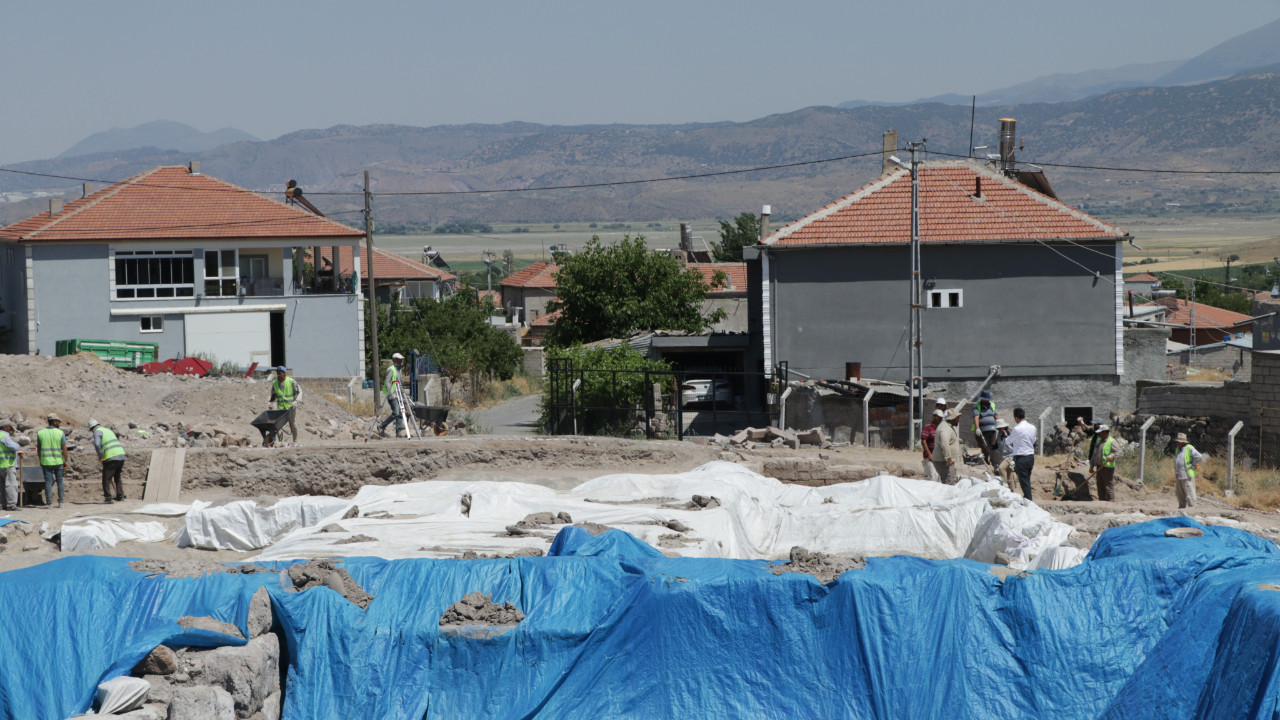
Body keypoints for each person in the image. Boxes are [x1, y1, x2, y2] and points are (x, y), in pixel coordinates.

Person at [36, 413, 70, 508]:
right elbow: (64, 449)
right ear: (54, 422)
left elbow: (38, 449)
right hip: (58, 462)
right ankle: (61, 502)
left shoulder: (40, 433)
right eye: (58, 422)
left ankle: (49, 503)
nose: (59, 423)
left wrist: (40, 460)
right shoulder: (60, 433)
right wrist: (66, 461)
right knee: (60, 481)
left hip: (46, 461)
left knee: (48, 482)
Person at [89, 419, 126, 503]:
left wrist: (100, 457)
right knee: (117, 477)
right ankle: (120, 496)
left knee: (106, 478)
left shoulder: (97, 432)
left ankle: (108, 498)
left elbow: (97, 444)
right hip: (121, 455)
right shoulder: (107, 430)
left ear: (92, 428)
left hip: (111, 457)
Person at [1007, 407, 1037, 499]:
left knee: (1024, 482)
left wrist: (1008, 434)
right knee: (1027, 480)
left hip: (1021, 458)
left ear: (1016, 418)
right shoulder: (1032, 427)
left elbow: (1008, 441)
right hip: (1030, 457)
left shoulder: (1016, 428)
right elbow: (1033, 440)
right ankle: (1027, 498)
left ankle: (1029, 500)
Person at [378, 352, 408, 438]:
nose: (401, 361)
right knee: (396, 413)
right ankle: (381, 426)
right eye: (399, 360)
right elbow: (387, 382)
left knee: (400, 413)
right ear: (395, 360)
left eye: (401, 360)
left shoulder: (399, 370)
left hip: (398, 394)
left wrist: (403, 395)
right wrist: (390, 394)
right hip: (392, 395)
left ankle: (398, 433)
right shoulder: (391, 369)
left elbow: (400, 383)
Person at [269, 366, 301, 443]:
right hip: (281, 408)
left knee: (292, 424)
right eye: (277, 373)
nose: (278, 375)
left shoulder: (291, 381)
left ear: (284, 373)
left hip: (291, 407)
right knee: (278, 425)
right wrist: (271, 403)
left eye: (279, 373)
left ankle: (295, 440)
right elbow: (273, 395)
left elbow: (299, 392)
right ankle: (280, 441)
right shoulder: (275, 383)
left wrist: (296, 401)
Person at [1173, 432, 1203, 509]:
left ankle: (1192, 507)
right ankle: (1181, 506)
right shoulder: (1177, 449)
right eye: (1176, 442)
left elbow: (1199, 456)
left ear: (1182, 442)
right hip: (1179, 474)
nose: (1177, 443)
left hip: (1186, 474)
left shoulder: (1189, 448)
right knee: (1180, 493)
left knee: (1189, 491)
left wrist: (1193, 464)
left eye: (1178, 442)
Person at [0, 420, 24, 511]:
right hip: (8, 464)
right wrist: (18, 444)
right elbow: (14, 446)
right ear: (5, 427)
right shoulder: (4, 436)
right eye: (9, 428)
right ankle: (11, 505)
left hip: (1, 464)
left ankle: (2, 504)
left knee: (1, 486)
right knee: (11, 485)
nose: (10, 430)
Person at [935, 408, 964, 485]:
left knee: (949, 479)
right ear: (952, 418)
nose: (959, 420)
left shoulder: (948, 426)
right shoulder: (945, 428)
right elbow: (944, 444)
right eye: (957, 418)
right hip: (944, 461)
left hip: (946, 460)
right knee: (949, 482)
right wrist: (948, 458)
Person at [1090, 424, 1118, 502]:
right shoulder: (1099, 440)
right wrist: (1091, 466)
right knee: (1100, 486)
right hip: (1099, 467)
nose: (1099, 434)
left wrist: (1112, 456)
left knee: (1108, 486)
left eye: (1101, 432)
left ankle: (1111, 502)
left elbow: (1119, 452)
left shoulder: (1112, 441)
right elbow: (1095, 454)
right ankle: (1101, 502)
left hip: (1108, 468)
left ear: (1105, 432)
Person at [972, 390, 999, 465]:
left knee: (993, 445)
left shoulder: (992, 405)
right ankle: (986, 460)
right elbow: (976, 417)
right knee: (984, 446)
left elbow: (996, 416)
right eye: (985, 399)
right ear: (982, 399)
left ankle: (994, 462)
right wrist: (977, 428)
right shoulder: (977, 406)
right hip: (982, 430)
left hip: (992, 430)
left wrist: (1000, 425)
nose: (987, 401)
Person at [993, 419, 1016, 491]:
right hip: (1003, 457)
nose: (999, 430)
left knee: (1001, 468)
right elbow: (999, 445)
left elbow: (1013, 444)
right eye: (998, 429)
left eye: (1000, 428)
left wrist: (1007, 436)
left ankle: (1004, 486)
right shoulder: (999, 435)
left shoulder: (1009, 434)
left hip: (1010, 457)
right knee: (1010, 474)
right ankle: (1012, 491)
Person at [920, 409, 942, 482]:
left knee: (938, 478)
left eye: (940, 418)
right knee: (931, 477)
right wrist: (929, 454)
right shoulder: (928, 427)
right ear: (934, 417)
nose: (939, 419)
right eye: (938, 417)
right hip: (930, 458)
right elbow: (923, 441)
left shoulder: (941, 428)